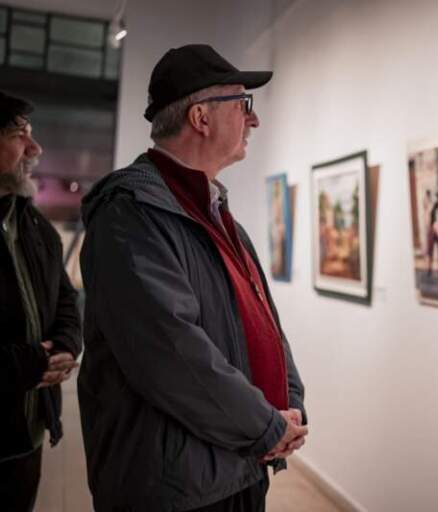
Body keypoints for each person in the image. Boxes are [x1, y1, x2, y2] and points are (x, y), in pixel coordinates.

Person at [77, 45, 308, 512]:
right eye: (243, 105)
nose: (254, 120)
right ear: (201, 117)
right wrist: (265, 426)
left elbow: (264, 323)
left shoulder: (219, 219)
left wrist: (291, 405)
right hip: (177, 488)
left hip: (237, 467)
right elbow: (173, 352)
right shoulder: (131, 216)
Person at [0, 92, 82, 511]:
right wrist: (30, 364)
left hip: (26, 439)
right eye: (20, 135)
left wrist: (66, 345)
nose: (36, 149)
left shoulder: (33, 226)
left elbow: (66, 298)